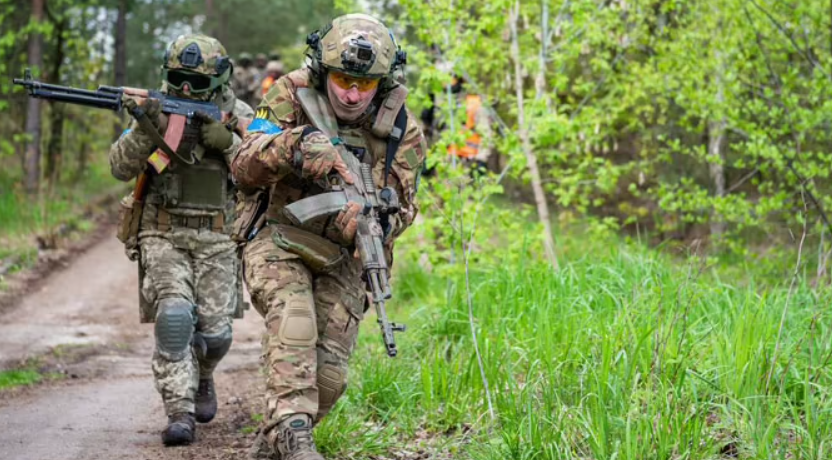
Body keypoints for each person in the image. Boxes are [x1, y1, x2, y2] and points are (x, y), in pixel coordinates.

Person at [231, 13, 426, 460]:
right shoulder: (289, 95)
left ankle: (277, 441)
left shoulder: (402, 129)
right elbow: (243, 166)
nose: (353, 93)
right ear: (323, 70)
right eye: (342, 79)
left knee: (327, 381)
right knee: (295, 324)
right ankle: (298, 445)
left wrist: (377, 222)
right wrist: (295, 146)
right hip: (279, 237)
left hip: (345, 254)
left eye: (366, 84)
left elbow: (406, 201)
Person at [109, 34, 254, 446]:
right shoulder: (155, 106)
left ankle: (204, 374)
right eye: (178, 79)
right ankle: (179, 411)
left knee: (217, 334)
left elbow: (266, 169)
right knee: (174, 319)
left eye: (196, 82)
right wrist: (144, 127)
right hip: (163, 230)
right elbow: (120, 167)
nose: (186, 89)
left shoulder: (238, 112)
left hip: (219, 236)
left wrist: (230, 144)